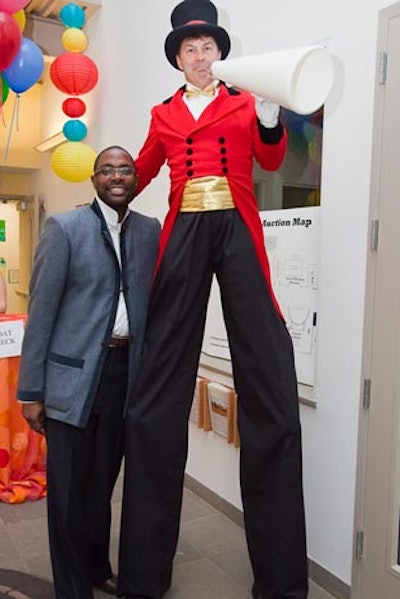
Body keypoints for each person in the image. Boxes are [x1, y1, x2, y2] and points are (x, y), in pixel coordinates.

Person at [118, 1, 308, 599]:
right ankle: (145, 576)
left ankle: (280, 583)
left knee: (270, 386)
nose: (200, 58)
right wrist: (104, 205)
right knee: (156, 392)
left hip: (238, 232)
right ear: (177, 58)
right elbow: (142, 170)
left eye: (208, 48)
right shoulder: (162, 113)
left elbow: (272, 158)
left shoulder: (246, 98)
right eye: (189, 49)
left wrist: (273, 116)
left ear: (220, 53)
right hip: (184, 234)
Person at [17, 146, 160, 599]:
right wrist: (31, 390)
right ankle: (73, 588)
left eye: (126, 170)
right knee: (68, 494)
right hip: (72, 381)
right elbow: (40, 314)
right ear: (94, 178)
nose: (117, 176)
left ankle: (98, 567)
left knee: (102, 486)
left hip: (125, 374)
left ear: (136, 179)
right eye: (108, 170)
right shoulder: (65, 228)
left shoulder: (149, 231)